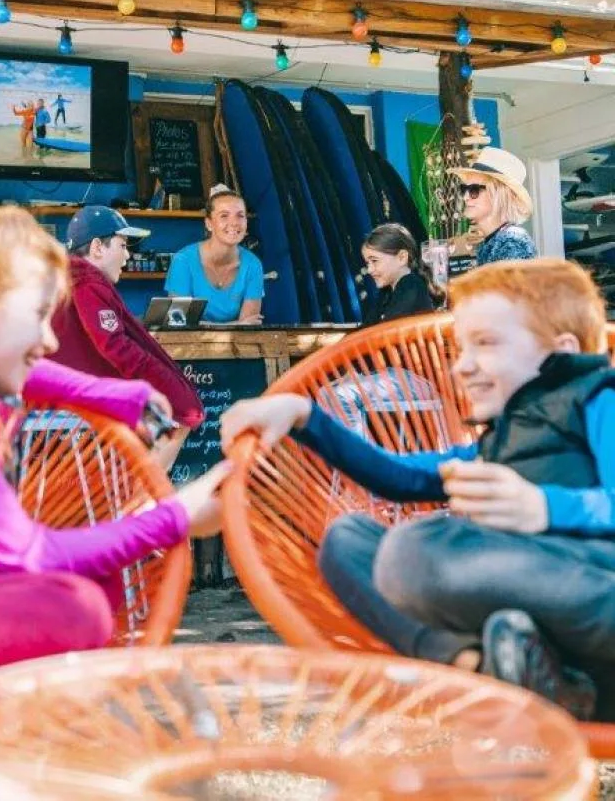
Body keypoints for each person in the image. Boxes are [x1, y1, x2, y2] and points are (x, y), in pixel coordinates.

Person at [0, 201, 230, 750]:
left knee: (86, 590)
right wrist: (174, 517)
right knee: (72, 607)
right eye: (38, 315)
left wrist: (115, 394)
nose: (50, 339)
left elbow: (34, 375)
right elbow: (32, 556)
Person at [221, 258, 615, 720]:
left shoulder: (596, 398)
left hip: (596, 596)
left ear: (562, 351)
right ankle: (486, 666)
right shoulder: (496, 445)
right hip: (536, 637)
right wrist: (304, 415)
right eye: (460, 349)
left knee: (416, 546)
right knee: (351, 540)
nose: (463, 367)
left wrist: (544, 507)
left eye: (485, 344)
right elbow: (399, 477)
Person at [52, 205, 204, 471]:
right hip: (88, 398)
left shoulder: (71, 280)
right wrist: (162, 380)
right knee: (186, 409)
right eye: (122, 245)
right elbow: (114, 346)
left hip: (72, 393)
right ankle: (143, 497)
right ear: (98, 247)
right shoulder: (88, 284)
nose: (127, 255)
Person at [164, 185, 264, 325]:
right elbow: (178, 322)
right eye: (224, 215)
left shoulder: (253, 265)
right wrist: (234, 325)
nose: (234, 223)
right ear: (209, 224)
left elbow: (248, 329)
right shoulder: (183, 260)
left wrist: (238, 326)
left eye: (240, 215)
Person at [454, 146, 537, 265]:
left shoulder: (512, 242)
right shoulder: (492, 242)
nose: (465, 197)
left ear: (498, 195)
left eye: (474, 190)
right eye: (464, 189)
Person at [361, 223, 439, 324]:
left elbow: (388, 329)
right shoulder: (386, 292)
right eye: (368, 263)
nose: (370, 270)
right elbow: (367, 327)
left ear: (402, 257)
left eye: (375, 261)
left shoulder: (410, 285)